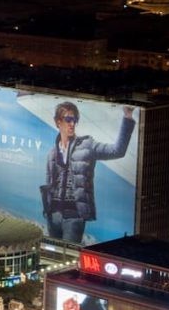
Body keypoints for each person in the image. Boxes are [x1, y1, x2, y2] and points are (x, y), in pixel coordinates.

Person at [41, 102, 136, 244]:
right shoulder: (51, 154)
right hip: (53, 216)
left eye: (75, 120)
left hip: (74, 217)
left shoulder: (87, 146)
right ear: (58, 122)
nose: (72, 124)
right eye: (68, 119)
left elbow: (118, 151)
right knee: (53, 256)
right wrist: (48, 211)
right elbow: (49, 184)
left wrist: (127, 117)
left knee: (67, 257)